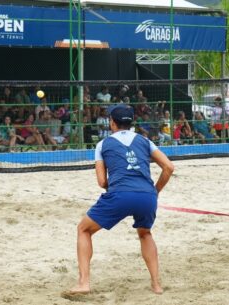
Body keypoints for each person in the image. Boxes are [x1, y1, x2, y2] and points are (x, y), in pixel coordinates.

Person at [63, 104, 174, 297]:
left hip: (120, 194)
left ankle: (83, 283)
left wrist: (114, 187)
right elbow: (169, 167)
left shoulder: (103, 144)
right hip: (146, 196)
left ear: (112, 123)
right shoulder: (145, 141)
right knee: (145, 234)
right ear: (131, 123)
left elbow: (101, 181)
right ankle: (156, 285)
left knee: (84, 229)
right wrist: (154, 191)